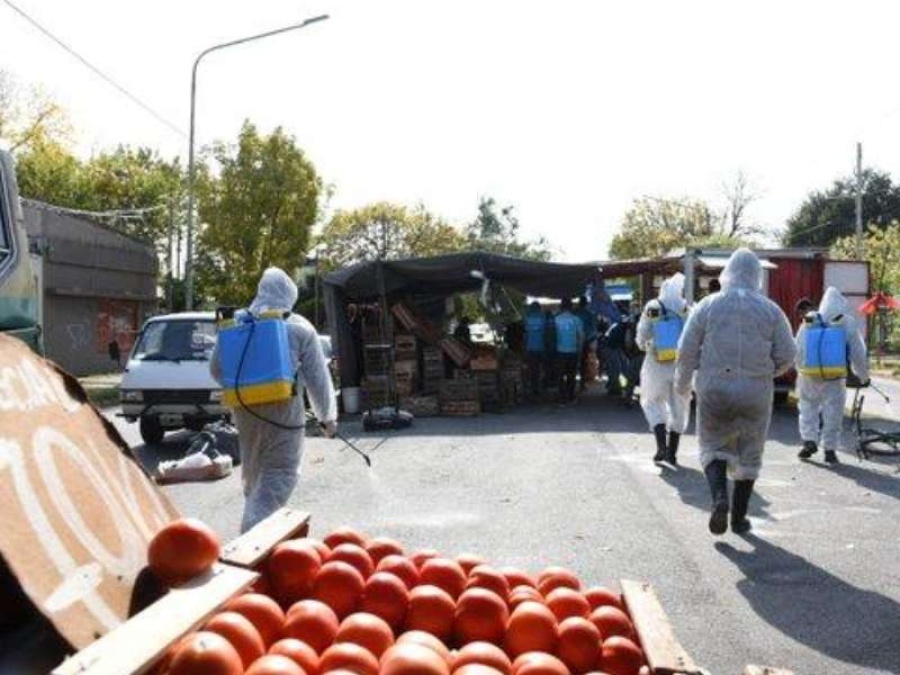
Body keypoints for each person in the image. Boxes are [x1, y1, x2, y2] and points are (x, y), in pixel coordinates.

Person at [675, 249, 796, 536]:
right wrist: (768, 373)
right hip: (756, 390)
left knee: (712, 447)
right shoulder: (771, 310)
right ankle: (739, 519)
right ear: (757, 276)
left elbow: (686, 351)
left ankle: (719, 499)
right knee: (750, 453)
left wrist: (682, 388)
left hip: (714, 386)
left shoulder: (706, 306)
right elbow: (789, 353)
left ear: (726, 273)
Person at [211, 267, 338, 532]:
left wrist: (248, 386)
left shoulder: (236, 322)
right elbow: (317, 378)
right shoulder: (299, 326)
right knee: (280, 472)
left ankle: (260, 534)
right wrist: (327, 417)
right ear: (290, 296)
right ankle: (252, 541)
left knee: (255, 474)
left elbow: (216, 368)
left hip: (244, 409)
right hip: (284, 411)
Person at [796, 288, 869, 464]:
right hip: (835, 378)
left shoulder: (810, 320)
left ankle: (809, 440)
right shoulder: (846, 323)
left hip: (808, 375)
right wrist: (863, 376)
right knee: (833, 412)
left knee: (807, 406)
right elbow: (858, 353)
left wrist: (799, 369)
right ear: (841, 305)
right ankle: (829, 449)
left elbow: (797, 348)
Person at [636, 273, 691, 465]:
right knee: (680, 406)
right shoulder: (685, 308)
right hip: (679, 364)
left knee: (652, 401)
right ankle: (672, 452)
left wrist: (645, 346)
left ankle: (661, 446)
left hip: (655, 363)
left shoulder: (653, 307)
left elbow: (642, 335)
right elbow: (693, 336)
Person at [554, 298, 583, 403]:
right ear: (571, 307)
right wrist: (580, 350)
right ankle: (571, 396)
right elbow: (581, 336)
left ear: (561, 307)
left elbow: (553, 336)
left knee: (560, 376)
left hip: (560, 351)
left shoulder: (556, 319)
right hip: (573, 351)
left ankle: (561, 398)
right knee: (571, 375)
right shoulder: (576, 319)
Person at [524, 301, 547, 399]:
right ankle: (540, 387)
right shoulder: (543, 317)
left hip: (530, 348)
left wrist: (524, 346)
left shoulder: (527, 318)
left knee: (533, 370)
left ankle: (534, 389)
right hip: (541, 347)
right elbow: (546, 333)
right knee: (542, 368)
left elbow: (525, 334)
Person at [575, 296, 599, 391]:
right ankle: (582, 383)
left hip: (573, 341)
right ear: (586, 304)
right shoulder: (589, 314)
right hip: (585, 341)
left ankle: (572, 383)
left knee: (573, 363)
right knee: (583, 363)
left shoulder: (575, 313)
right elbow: (593, 330)